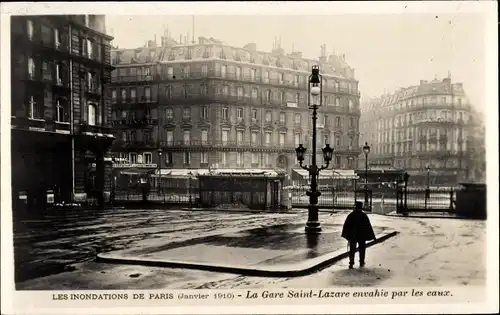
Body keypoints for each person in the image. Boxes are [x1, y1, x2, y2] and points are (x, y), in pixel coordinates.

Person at [341, 201, 376, 269]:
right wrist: (373, 236)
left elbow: (346, 225)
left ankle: (351, 263)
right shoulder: (364, 215)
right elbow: (368, 226)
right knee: (362, 249)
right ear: (361, 207)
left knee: (352, 249)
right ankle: (361, 262)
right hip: (361, 236)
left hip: (353, 235)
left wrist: (346, 235)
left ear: (355, 207)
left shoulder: (351, 215)